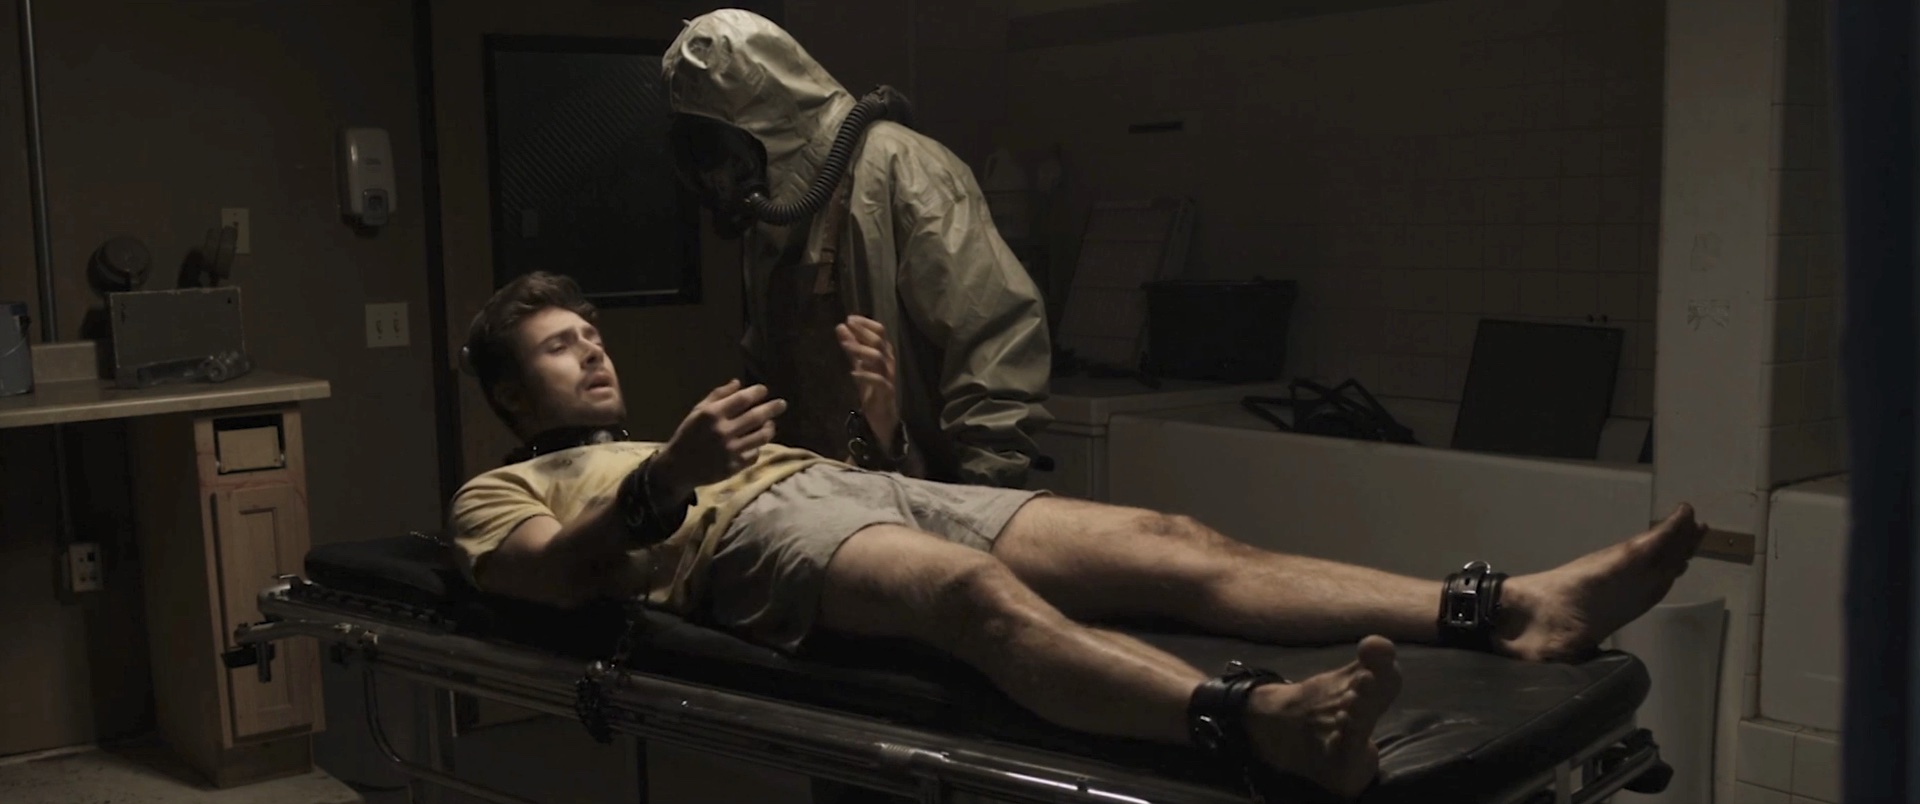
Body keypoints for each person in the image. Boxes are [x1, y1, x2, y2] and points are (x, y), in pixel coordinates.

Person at [451, 272, 1709, 800]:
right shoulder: (499, 490)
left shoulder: (667, 435)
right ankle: (1264, 722)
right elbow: (552, 580)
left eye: (593, 333)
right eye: (561, 346)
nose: (594, 351)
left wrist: (881, 431)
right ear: (512, 395)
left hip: (840, 490)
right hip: (743, 544)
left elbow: (876, 494)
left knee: (1174, 536)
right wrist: (671, 478)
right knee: (969, 597)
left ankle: (1508, 608)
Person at [660, 8, 1052, 490]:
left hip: (933, 492)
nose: (716, 176)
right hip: (827, 498)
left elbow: (994, 334)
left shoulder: (899, 167)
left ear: (765, 119)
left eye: (716, 148)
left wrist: (986, 490)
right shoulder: (773, 215)